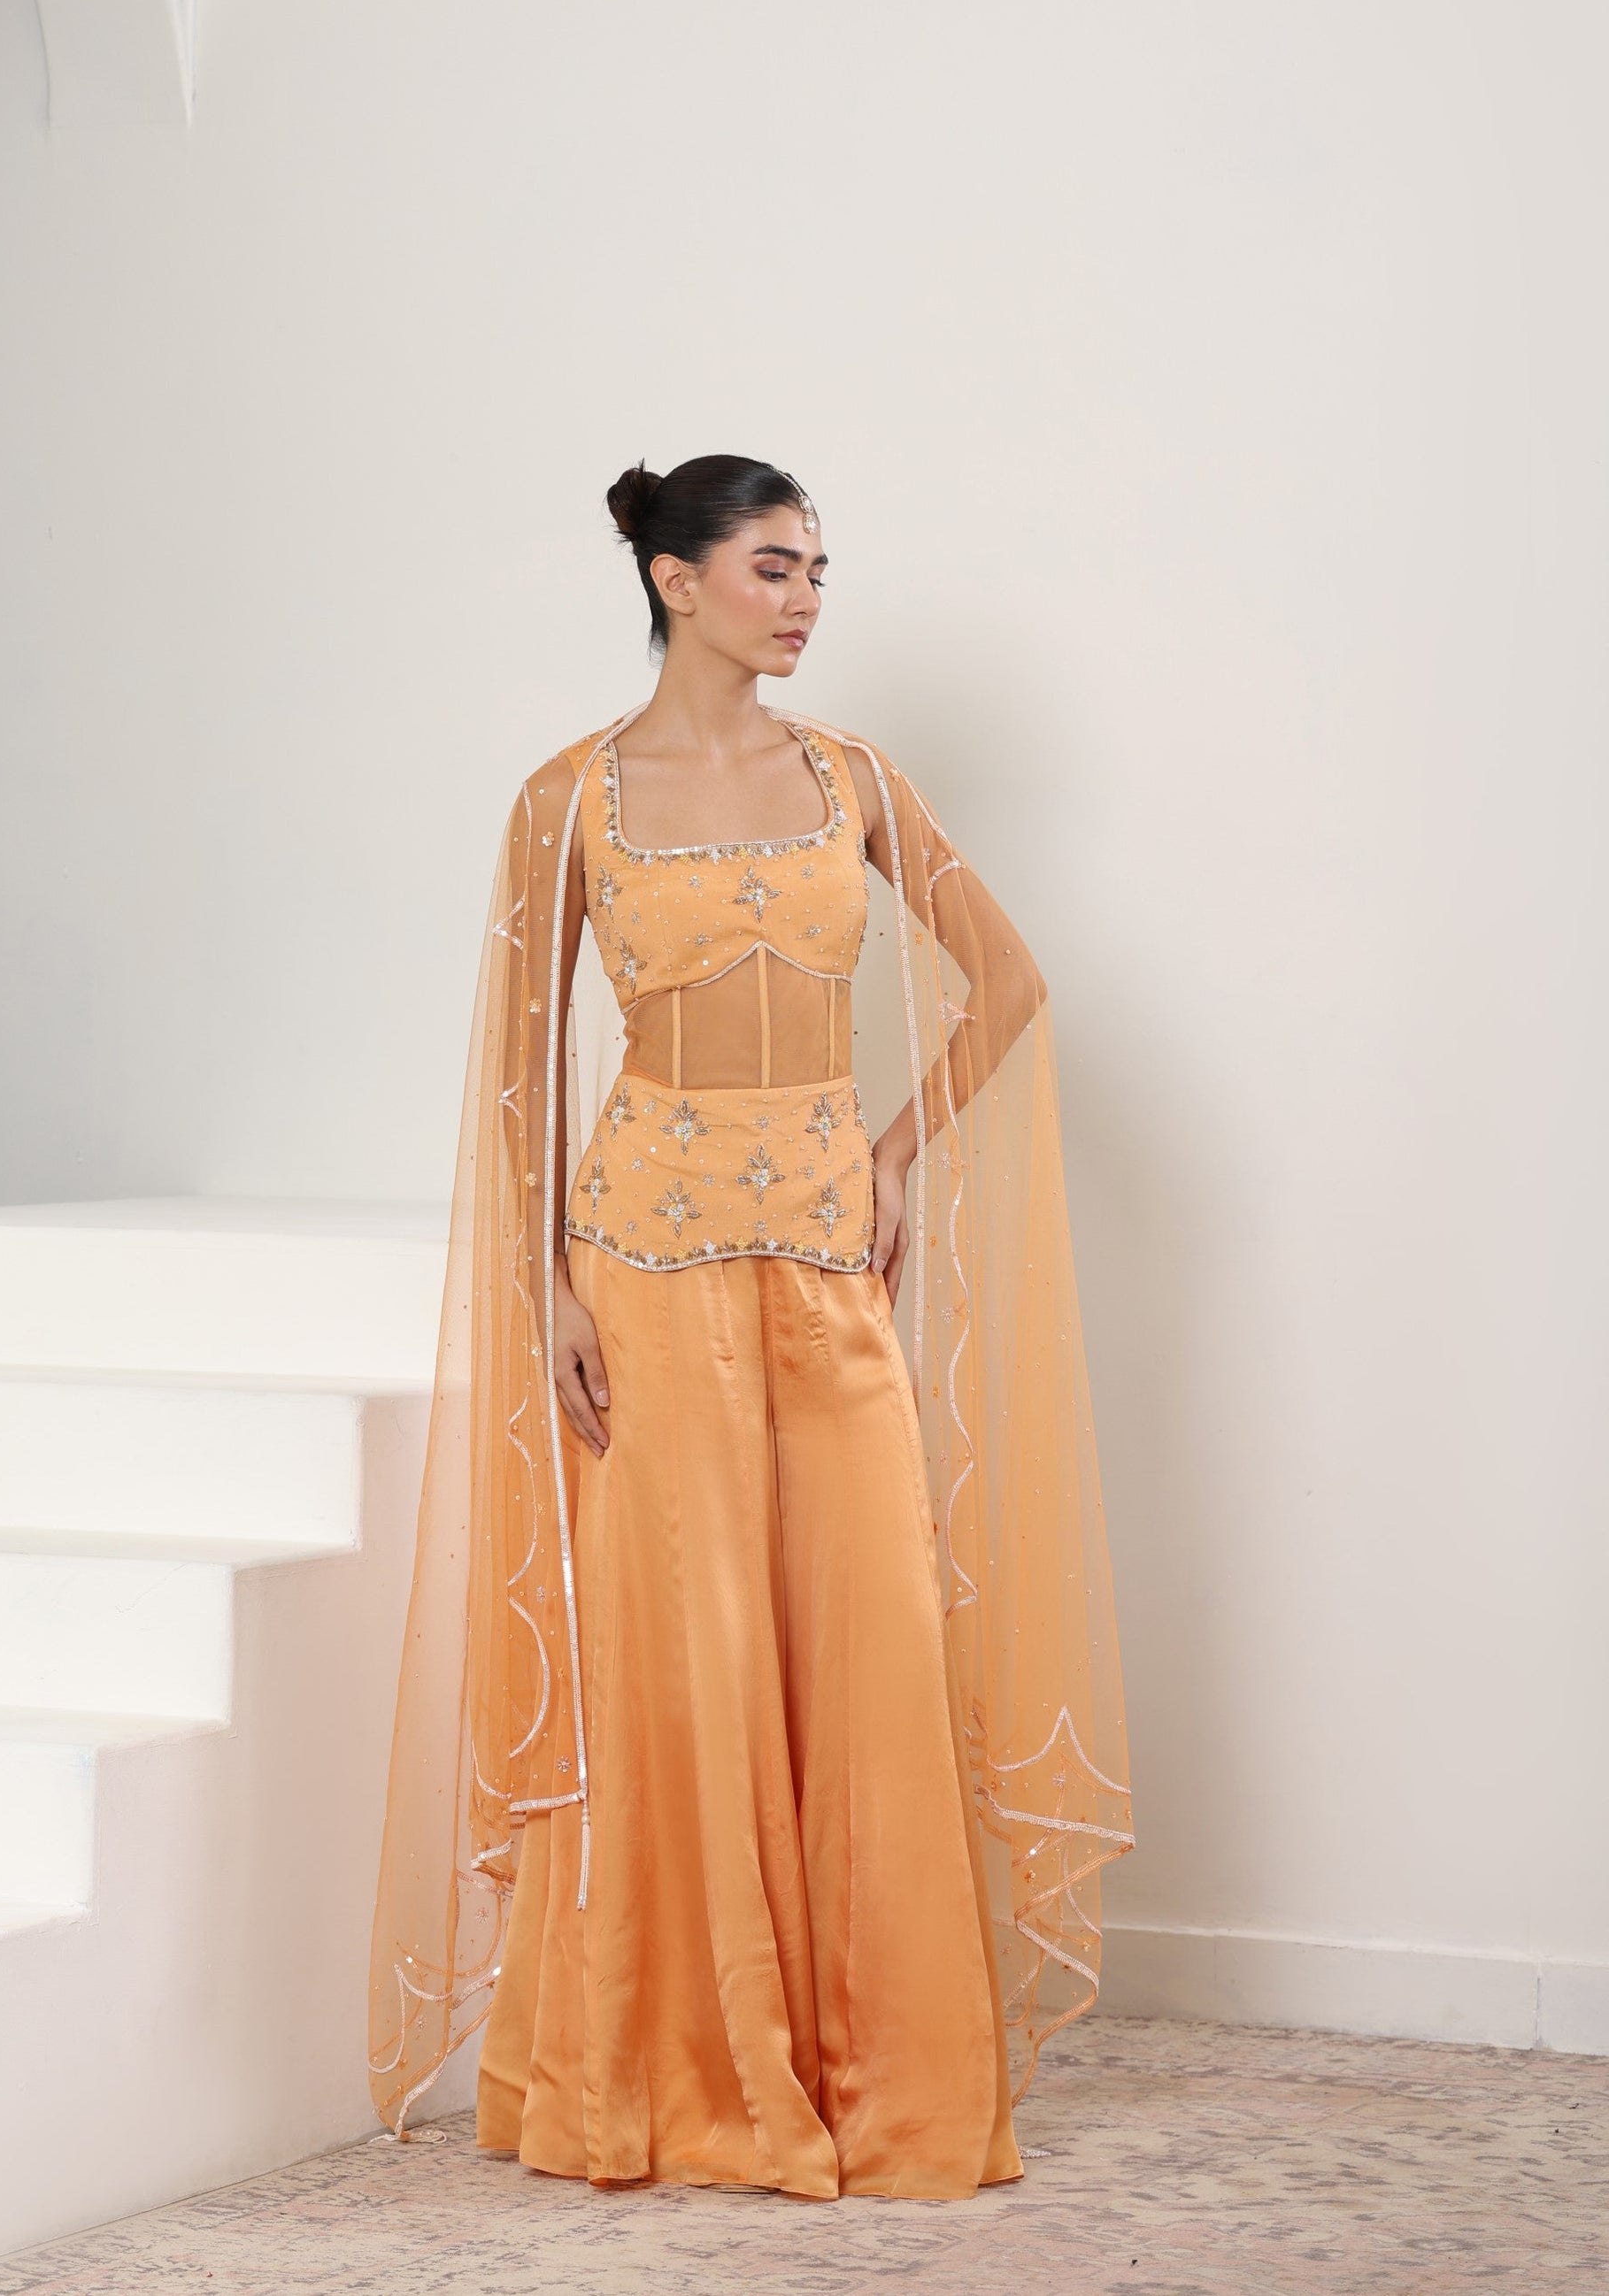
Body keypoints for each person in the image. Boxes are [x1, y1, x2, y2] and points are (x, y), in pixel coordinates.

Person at [367, 454, 1131, 2200]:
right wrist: (543, 1277)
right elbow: (516, 1064)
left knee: (862, 1640)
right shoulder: (570, 799)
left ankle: (872, 2064)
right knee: (680, 1653)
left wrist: (885, 1156)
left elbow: (1002, 980)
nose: (803, 597)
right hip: (639, 1260)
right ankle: (669, 2061)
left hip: (816, 1257)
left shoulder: (852, 779)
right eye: (772, 566)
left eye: (817, 570)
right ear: (671, 577)